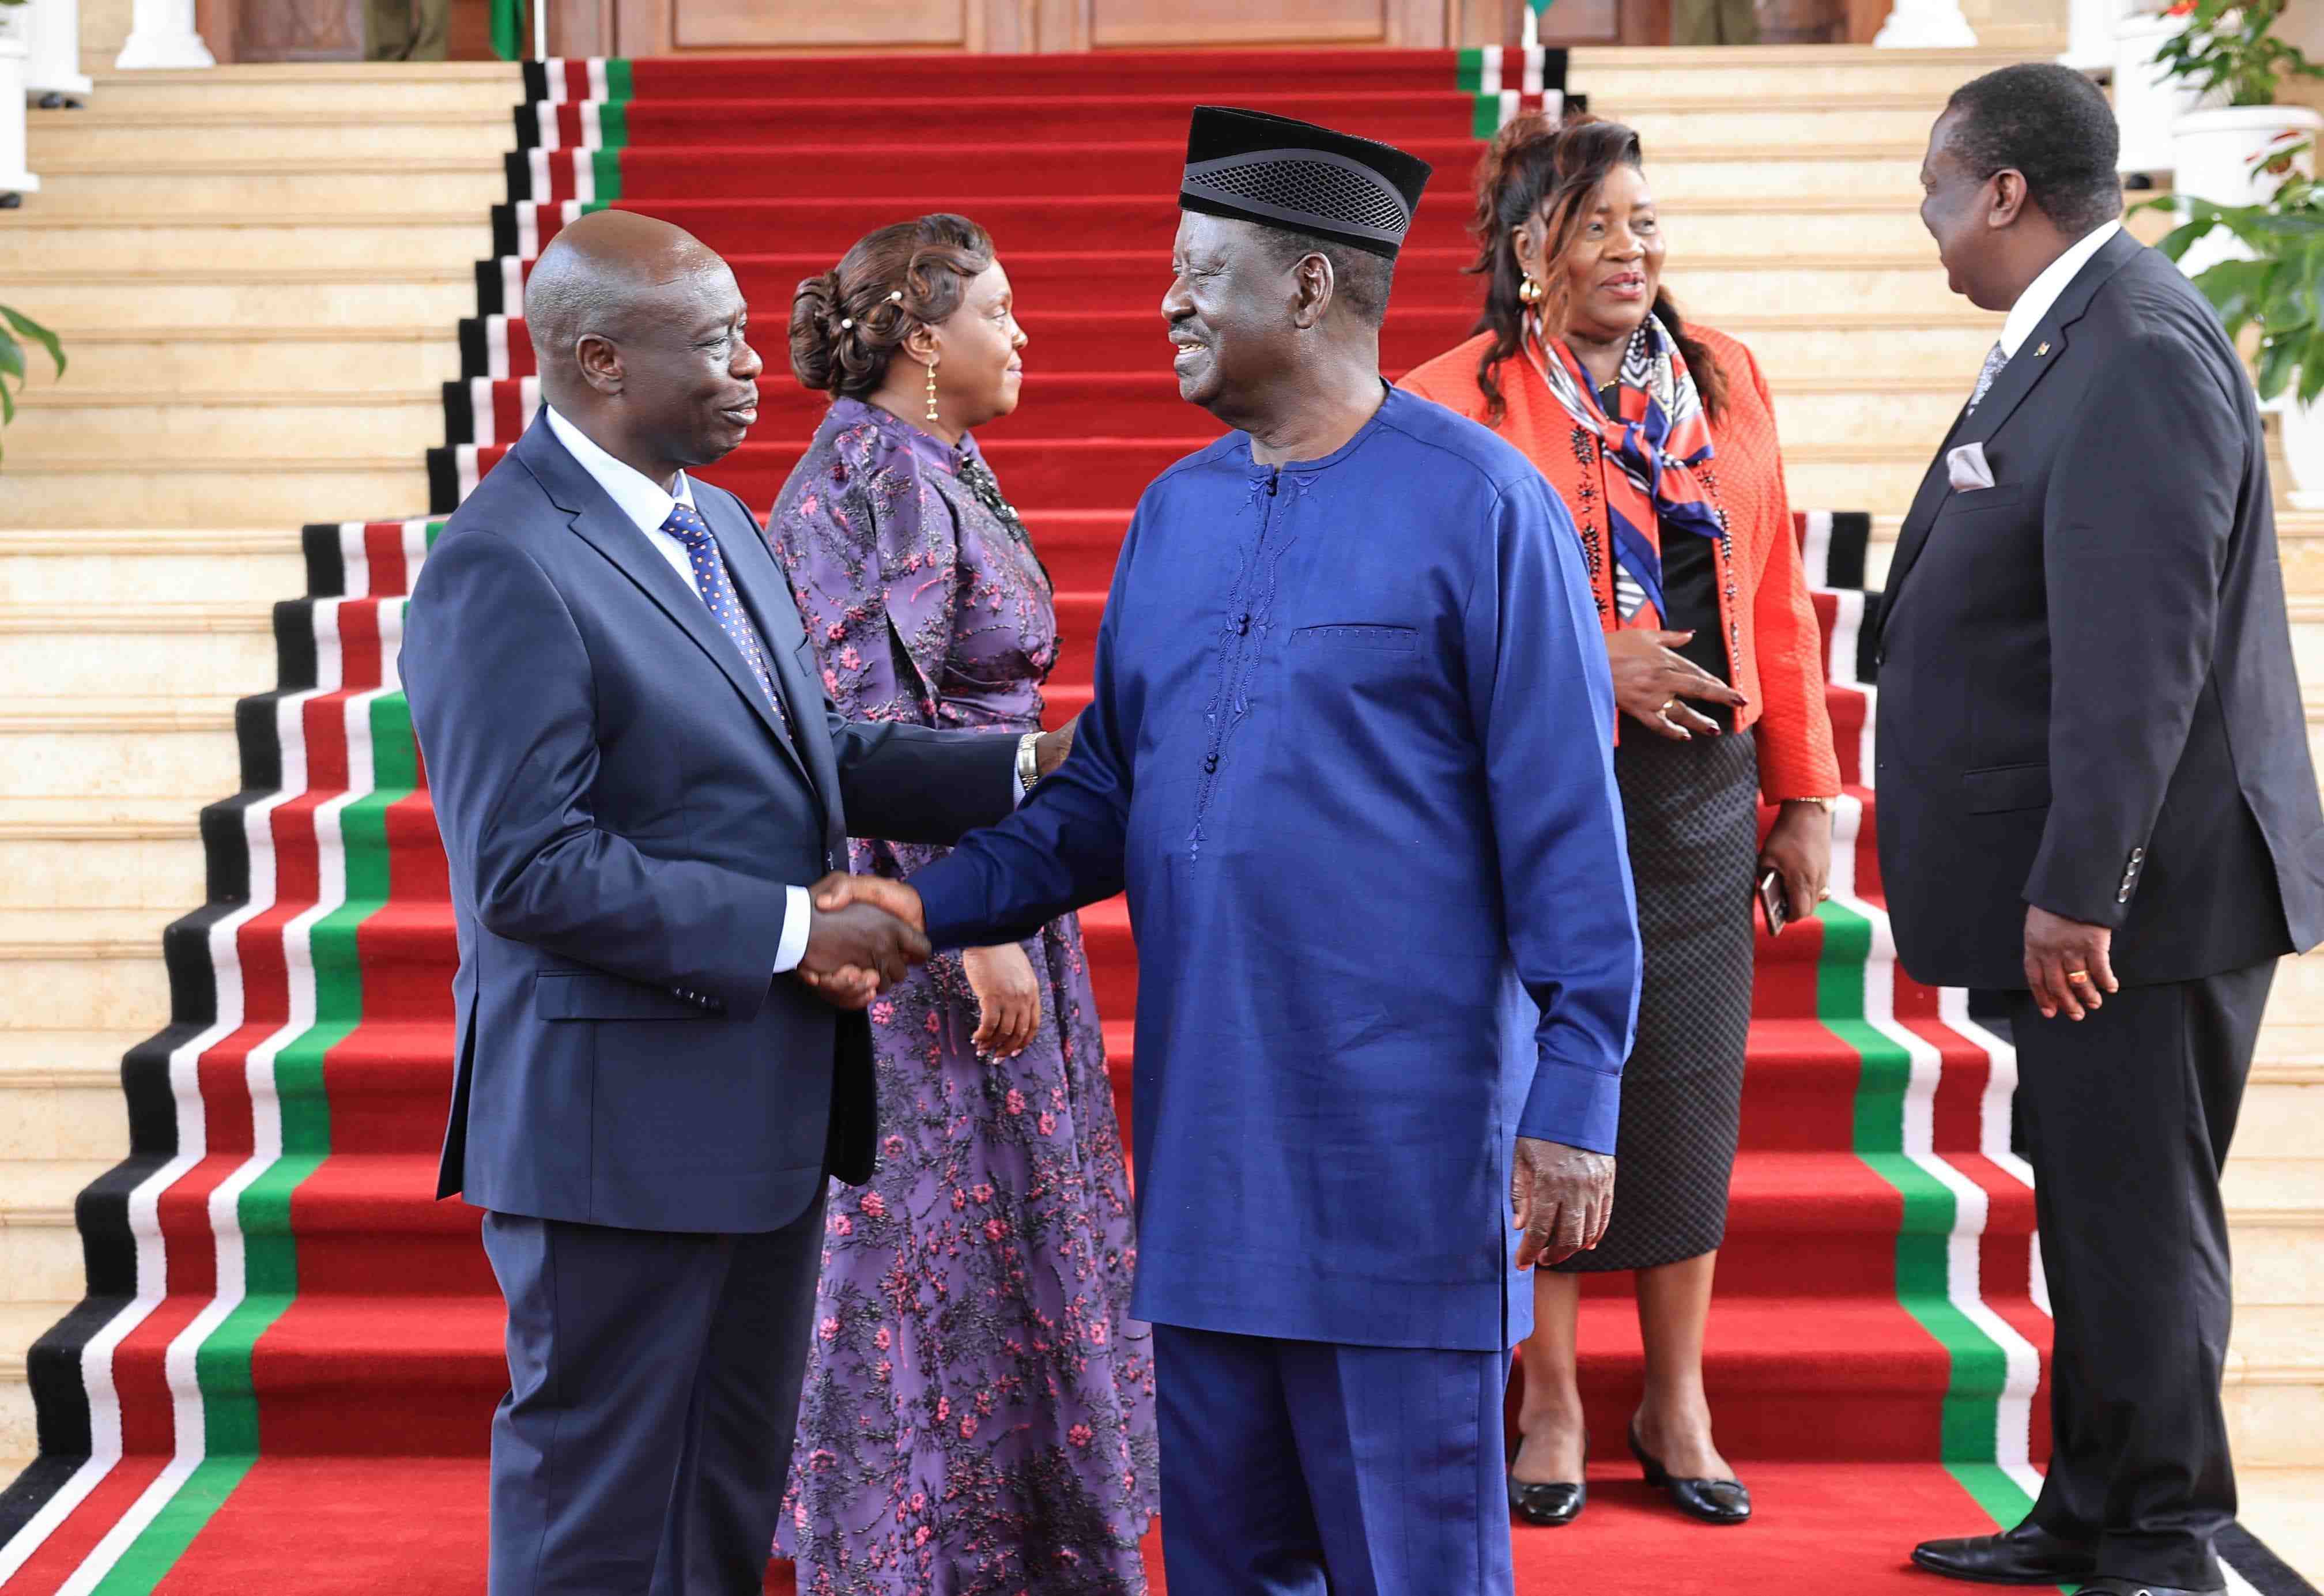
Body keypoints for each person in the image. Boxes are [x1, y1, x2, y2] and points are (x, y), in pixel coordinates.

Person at [814, 105, 1642, 1595]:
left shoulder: (1486, 510)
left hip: (1407, 1174)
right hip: (1208, 1182)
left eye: (1202, 271)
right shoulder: (1173, 516)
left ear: (1313, 289)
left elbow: (1568, 828)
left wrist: (1578, 1088)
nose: (1167, 301)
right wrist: (921, 911)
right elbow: (1103, 802)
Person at [400, 208, 1071, 1596]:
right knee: (597, 1516)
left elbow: (825, 746)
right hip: (612, 1130)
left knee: (722, 1495)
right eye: (715, 343)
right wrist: (794, 929)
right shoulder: (502, 560)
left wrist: (1031, 764)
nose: (759, 365)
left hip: (757, 1113)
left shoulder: (718, 521)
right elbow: (528, 866)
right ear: (596, 359)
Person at [1876, 64, 2324, 1596]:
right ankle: (2093, 1502)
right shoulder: (2074, 331)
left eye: (1937, 188)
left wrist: (2082, 889)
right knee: (2095, 1215)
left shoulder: (2134, 345)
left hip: (2146, 899)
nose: (1925, 221)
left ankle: (2171, 1540)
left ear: (2004, 191)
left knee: (2138, 1224)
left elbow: (2144, 657)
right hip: (2104, 888)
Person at [1401, 111, 1839, 1531]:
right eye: (1599, 225)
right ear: (1529, 248)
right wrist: (1598, 659)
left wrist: (1808, 789)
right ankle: (1553, 1396)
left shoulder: (1725, 375)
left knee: (1688, 1089)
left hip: (1704, 788)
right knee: (1551, 1082)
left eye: (1646, 223)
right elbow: (1424, 625)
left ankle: (1679, 1395)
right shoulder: (1452, 399)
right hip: (1528, 789)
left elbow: (1773, 596)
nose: (1632, 249)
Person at [764, 213, 1157, 1593]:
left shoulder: (944, 460)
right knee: (917, 1238)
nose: (1023, 332)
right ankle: (904, 1552)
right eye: (998, 310)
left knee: (1005, 1226)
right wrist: (976, 925)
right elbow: (864, 735)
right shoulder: (865, 477)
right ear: (924, 338)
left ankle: (1014, 1533)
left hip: (998, 875)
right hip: (923, 913)